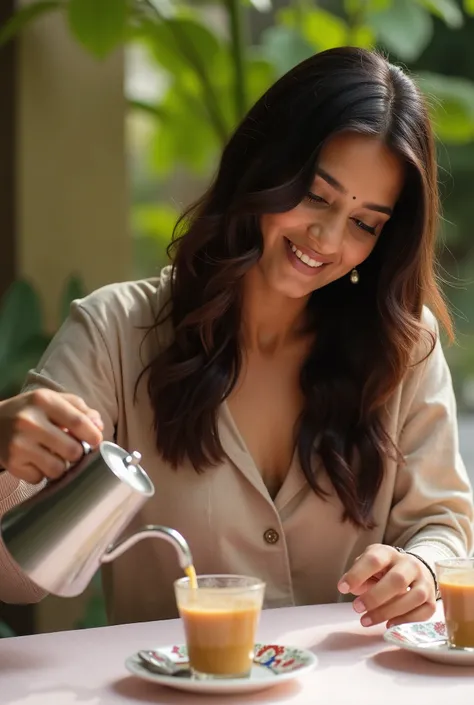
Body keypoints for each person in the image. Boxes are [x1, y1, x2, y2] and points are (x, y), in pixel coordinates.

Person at [0, 46, 472, 630]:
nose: (327, 239)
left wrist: (422, 569)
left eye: (364, 223)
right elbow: (17, 579)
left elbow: (444, 524)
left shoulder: (404, 346)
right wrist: (5, 463)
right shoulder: (113, 334)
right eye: (317, 196)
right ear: (263, 166)